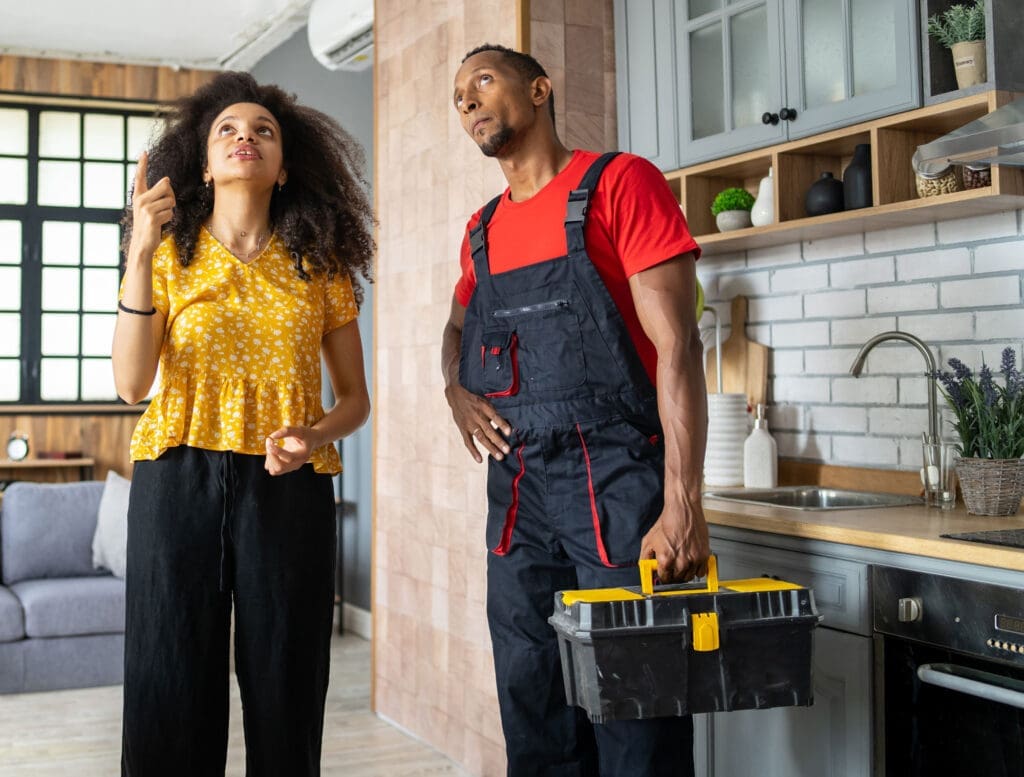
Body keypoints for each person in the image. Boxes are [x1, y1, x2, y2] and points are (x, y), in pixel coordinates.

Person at [441, 44, 710, 776]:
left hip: (618, 480)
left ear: (540, 89)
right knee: (533, 703)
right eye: (458, 93)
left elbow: (679, 347)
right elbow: (458, 328)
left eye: (483, 81)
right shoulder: (482, 229)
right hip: (519, 491)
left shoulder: (621, 183)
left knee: (637, 708)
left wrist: (682, 497)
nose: (466, 100)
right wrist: (455, 391)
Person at [112, 71, 373, 777]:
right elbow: (131, 384)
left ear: (284, 165)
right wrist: (139, 248)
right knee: (171, 680)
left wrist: (314, 437)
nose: (244, 137)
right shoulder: (165, 257)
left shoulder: (320, 266)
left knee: (286, 681)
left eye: (262, 130)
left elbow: (354, 398)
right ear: (203, 163)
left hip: (286, 484)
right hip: (176, 479)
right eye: (227, 129)